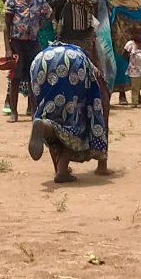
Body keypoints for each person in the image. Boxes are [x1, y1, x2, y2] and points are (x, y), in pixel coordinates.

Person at [27, 41, 111, 183]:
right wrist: (102, 163)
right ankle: (62, 170)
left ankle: (58, 164)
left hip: (40, 61)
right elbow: (103, 109)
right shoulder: (94, 70)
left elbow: (33, 96)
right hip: (73, 63)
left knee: (51, 119)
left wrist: (35, 113)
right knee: (75, 124)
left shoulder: (58, 52)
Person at [0, 0, 63, 113]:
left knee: (35, 74)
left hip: (36, 37)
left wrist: (43, 21)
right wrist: (14, 13)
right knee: (16, 75)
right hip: (18, 39)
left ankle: (32, 109)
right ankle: (12, 107)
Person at [4, 0, 53, 123]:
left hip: (34, 43)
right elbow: (6, 26)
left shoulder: (40, 1)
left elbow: (50, 15)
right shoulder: (12, 1)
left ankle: (33, 111)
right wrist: (7, 48)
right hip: (17, 44)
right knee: (15, 78)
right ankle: (14, 112)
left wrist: (40, 25)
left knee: (34, 79)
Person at [50, 0, 100, 65]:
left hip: (86, 38)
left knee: (86, 67)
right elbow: (58, 15)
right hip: (67, 38)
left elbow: (95, 14)